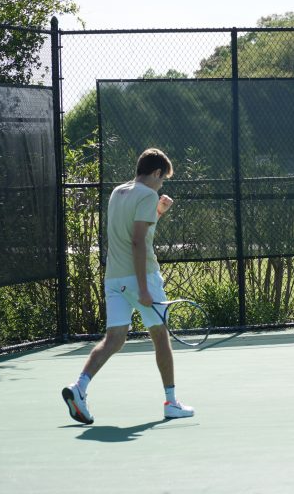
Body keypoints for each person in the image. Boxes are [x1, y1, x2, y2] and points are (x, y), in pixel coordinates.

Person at [62, 148, 194, 424]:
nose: (161, 186)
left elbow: (135, 232)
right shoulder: (147, 194)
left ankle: (79, 387)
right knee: (160, 336)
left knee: (115, 338)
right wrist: (144, 288)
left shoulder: (118, 192)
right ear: (156, 173)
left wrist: (159, 212)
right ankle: (171, 402)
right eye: (162, 180)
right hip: (140, 276)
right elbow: (137, 242)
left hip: (114, 279)